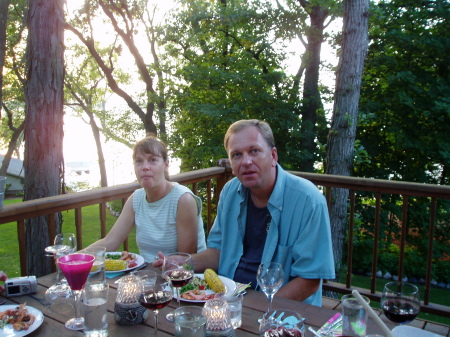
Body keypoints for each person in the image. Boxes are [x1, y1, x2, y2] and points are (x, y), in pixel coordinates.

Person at [155, 119, 335, 306]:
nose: (246, 161)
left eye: (254, 151)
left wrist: (259, 309)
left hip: (283, 311)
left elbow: (310, 280)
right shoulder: (230, 192)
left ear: (273, 156)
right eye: (237, 155)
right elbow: (217, 253)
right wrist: (181, 262)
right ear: (231, 163)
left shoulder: (308, 201)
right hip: (228, 300)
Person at [87, 136, 207, 262]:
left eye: (153, 160)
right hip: (147, 276)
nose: (145, 167)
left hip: (181, 278)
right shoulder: (136, 199)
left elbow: (185, 261)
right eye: (139, 161)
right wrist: (74, 259)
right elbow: (110, 241)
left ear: (166, 164)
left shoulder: (183, 200)